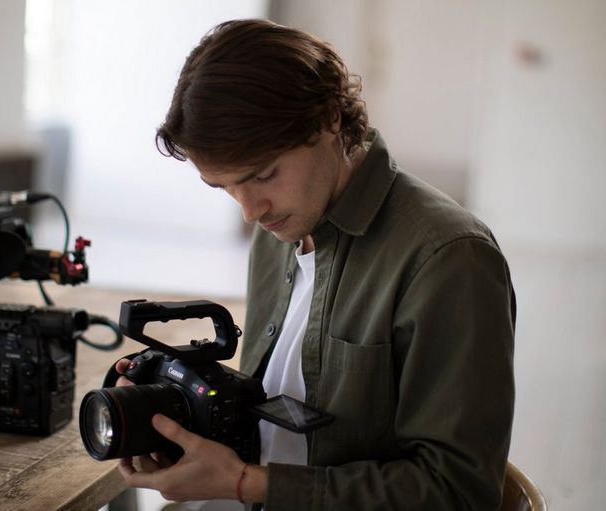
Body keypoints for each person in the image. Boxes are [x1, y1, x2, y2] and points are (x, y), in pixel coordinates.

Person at [115, 18, 516, 510]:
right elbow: (275, 419)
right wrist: (174, 422)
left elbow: (459, 493)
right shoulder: (279, 230)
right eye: (224, 188)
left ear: (328, 119)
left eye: (263, 174)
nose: (249, 211)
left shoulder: (448, 257)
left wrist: (246, 483)